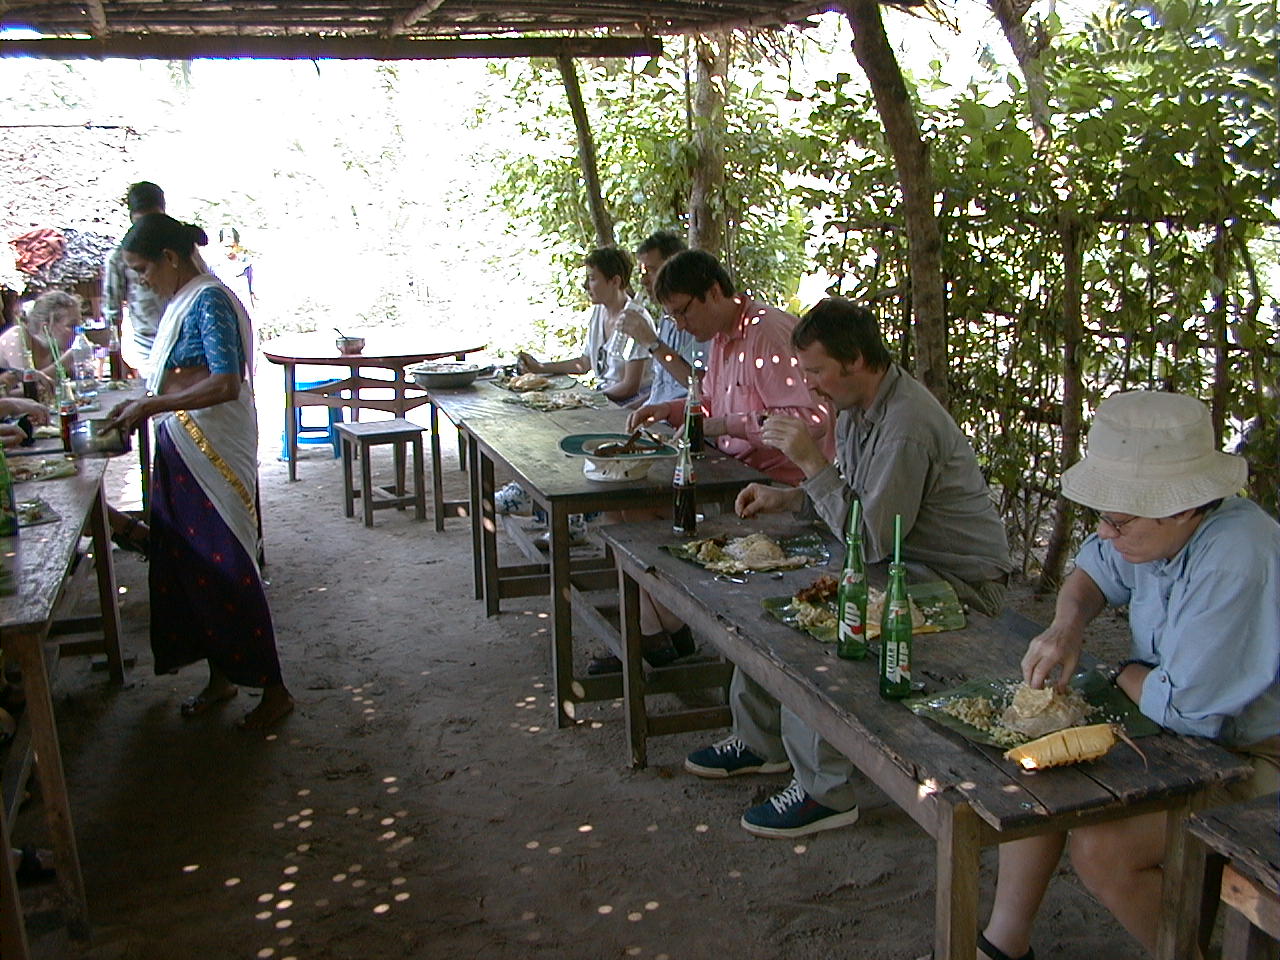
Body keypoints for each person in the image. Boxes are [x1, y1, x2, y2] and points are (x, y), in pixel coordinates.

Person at [684, 297, 1012, 838]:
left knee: (826, 618)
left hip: (959, 585)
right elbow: (852, 497)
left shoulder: (907, 425)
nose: (809, 385)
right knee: (781, 591)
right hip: (903, 565)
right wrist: (787, 496)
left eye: (816, 371)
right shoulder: (863, 405)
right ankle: (760, 741)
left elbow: (872, 541)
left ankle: (824, 792)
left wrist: (808, 462)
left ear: (856, 359)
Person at [977, 390, 1279, 960]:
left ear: (1185, 506)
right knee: (1040, 748)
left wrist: (1125, 673)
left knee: (1104, 848)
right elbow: (1092, 572)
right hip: (1181, 730)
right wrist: (1067, 626)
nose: (1107, 532)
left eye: (1118, 520)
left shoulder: (1240, 554)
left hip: (1256, 753)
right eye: (1104, 517)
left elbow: (1186, 708)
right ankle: (1003, 945)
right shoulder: (1152, 531)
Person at [599, 251, 832, 673]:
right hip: (732, 474)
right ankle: (663, 625)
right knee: (619, 509)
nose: (682, 326)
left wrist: (723, 425)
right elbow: (712, 401)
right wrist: (672, 411)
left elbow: (810, 420)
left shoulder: (767, 334)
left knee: (642, 519)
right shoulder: (722, 339)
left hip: (778, 487)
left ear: (714, 292)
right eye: (673, 318)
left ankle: (663, 630)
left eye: (683, 313)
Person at [106, 213, 293, 730]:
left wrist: (152, 406)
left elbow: (225, 382)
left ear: (170, 257)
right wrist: (146, 406)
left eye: (143, 269)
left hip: (211, 451)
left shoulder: (208, 299)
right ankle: (221, 677)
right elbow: (175, 379)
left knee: (225, 565)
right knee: (188, 567)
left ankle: (273, 691)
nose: (141, 281)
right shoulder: (180, 304)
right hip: (181, 446)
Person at [517, 247, 652, 405]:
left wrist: (587, 399)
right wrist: (540, 368)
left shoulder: (636, 320)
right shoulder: (599, 311)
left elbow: (630, 386)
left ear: (615, 281)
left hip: (630, 407)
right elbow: (584, 363)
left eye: (592, 278)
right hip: (604, 400)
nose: (585, 285)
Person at [615, 231, 708, 406]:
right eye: (642, 272)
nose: (643, 281)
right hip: (657, 418)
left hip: (680, 422)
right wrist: (625, 412)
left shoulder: (699, 319)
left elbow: (701, 387)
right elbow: (661, 390)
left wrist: (652, 343)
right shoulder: (666, 318)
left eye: (651, 270)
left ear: (674, 267)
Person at [102, 181, 168, 378]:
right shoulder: (119, 257)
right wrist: (117, 361)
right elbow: (112, 312)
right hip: (148, 345)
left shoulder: (184, 251)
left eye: (155, 220)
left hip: (188, 340)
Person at [0, 289, 79, 387]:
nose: (78, 331)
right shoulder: (18, 338)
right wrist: (66, 360)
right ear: (46, 328)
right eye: (72, 325)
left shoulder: (54, 346)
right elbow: (27, 389)